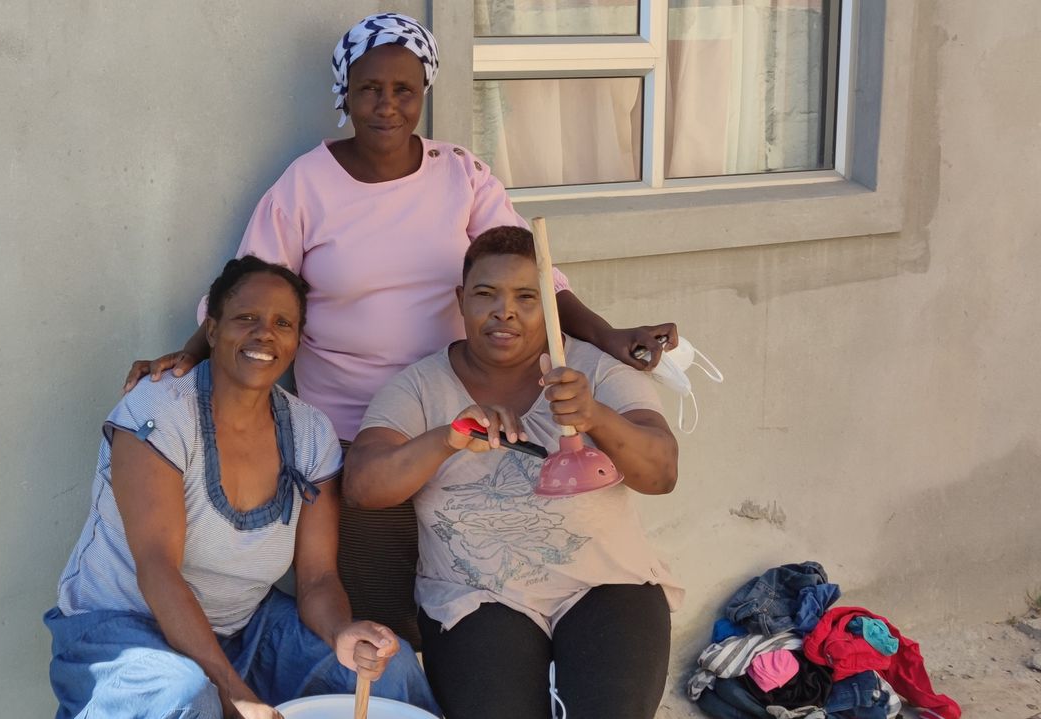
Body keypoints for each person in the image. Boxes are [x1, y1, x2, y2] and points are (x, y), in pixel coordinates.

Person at [121, 12, 678, 646]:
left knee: (480, 601)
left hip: (463, 421)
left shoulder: (460, 173)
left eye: (404, 90)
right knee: (387, 613)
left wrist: (606, 337)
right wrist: (191, 355)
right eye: (369, 89)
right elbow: (252, 290)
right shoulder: (306, 185)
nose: (387, 105)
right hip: (358, 437)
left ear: (425, 93)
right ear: (346, 95)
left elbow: (533, 273)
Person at [46, 256, 439, 719]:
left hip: (246, 631)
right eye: (246, 318)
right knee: (186, 695)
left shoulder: (310, 433)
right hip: (122, 630)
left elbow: (317, 579)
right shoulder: (158, 412)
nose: (264, 334)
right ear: (211, 330)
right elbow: (157, 570)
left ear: (297, 340)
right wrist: (234, 693)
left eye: (282, 323)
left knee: (387, 680)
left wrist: (341, 634)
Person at [344, 226, 685, 719]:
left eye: (527, 298)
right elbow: (362, 487)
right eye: (486, 294)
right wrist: (447, 437)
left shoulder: (598, 372)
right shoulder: (418, 388)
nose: (505, 311)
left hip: (608, 584)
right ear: (461, 301)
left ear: (550, 305)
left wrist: (595, 417)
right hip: (474, 598)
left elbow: (661, 474)